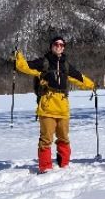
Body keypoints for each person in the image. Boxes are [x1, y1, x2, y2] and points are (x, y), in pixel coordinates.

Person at [15, 36, 95, 174]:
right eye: (56, 44)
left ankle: (64, 164)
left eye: (62, 45)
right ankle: (45, 167)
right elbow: (25, 67)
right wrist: (18, 57)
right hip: (47, 106)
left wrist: (92, 85)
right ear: (51, 46)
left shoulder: (66, 65)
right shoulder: (43, 62)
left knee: (64, 137)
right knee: (46, 139)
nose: (59, 47)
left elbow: (79, 78)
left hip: (63, 107)